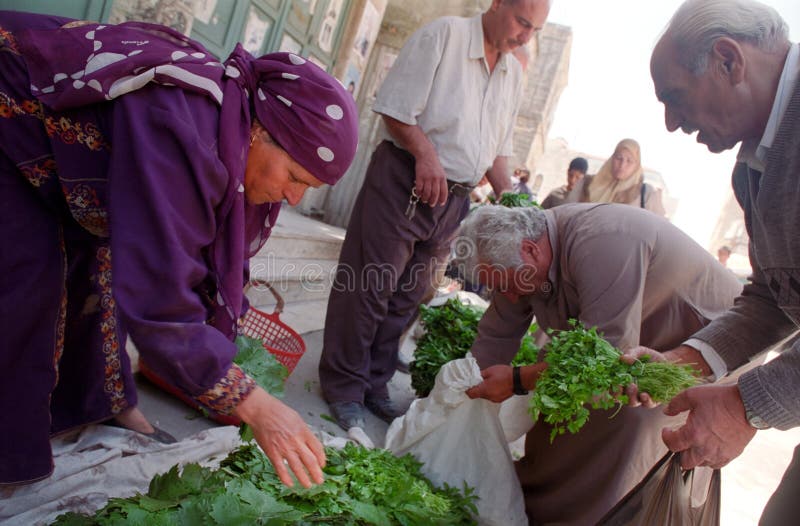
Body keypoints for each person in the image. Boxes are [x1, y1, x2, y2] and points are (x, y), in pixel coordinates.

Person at [0, 11, 358, 488]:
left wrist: (218, 370)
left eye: (308, 188)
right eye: (295, 177)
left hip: (74, 168)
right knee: (29, 284)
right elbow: (160, 292)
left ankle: (103, 406)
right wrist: (252, 403)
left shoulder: (235, 147)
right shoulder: (185, 127)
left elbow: (205, 270)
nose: (295, 198)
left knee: (96, 269)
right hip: (12, 121)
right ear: (260, 131)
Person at [318, 0, 552, 431]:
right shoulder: (443, 35)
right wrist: (425, 153)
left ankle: (373, 382)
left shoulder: (513, 72)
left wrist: (518, 207)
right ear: (498, 4)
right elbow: (394, 107)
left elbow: (497, 152)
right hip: (405, 179)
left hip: (455, 199)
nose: (525, 36)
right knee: (369, 287)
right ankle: (343, 386)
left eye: (534, 30)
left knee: (411, 295)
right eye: (522, 22)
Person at [453, 203, 742, 525]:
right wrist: (464, 391)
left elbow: (605, 358)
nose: (505, 296)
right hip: (628, 341)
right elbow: (497, 332)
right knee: (553, 411)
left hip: (708, 342)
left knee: (626, 421)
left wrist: (517, 380)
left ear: (530, 250)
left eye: (504, 284)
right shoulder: (520, 262)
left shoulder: (604, 240)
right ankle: (527, 509)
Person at [625, 1, 800, 523]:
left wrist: (745, 404)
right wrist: (689, 360)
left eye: (674, 98)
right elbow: (774, 293)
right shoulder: (754, 168)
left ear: (728, 61)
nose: (672, 123)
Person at [566, 138, 666, 216]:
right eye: (619, 158)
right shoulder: (586, 184)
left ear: (636, 165)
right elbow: (566, 214)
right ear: (612, 158)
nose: (622, 165)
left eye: (629, 161)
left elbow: (659, 232)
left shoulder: (647, 194)